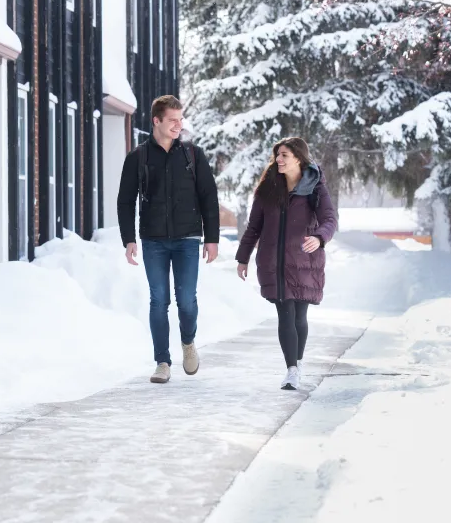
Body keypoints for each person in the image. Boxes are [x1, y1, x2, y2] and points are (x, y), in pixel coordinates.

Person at [117, 96, 221, 384]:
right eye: (173, 120)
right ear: (157, 121)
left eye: (180, 119)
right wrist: (129, 239)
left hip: (188, 238)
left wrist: (212, 238)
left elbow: (208, 197)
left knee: (186, 300)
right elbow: (125, 201)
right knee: (158, 300)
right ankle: (162, 361)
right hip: (154, 241)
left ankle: (188, 342)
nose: (178, 124)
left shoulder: (192, 155)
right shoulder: (138, 157)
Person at [235, 137, 337, 390]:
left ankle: (297, 363)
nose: (278, 160)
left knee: (300, 315)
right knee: (285, 313)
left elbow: (329, 219)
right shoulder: (268, 189)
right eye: (277, 155)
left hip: (304, 260)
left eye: (284, 155)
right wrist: (243, 257)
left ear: (299, 159)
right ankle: (291, 370)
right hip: (273, 262)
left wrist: (319, 238)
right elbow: (254, 227)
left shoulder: (315, 188)